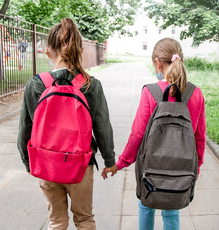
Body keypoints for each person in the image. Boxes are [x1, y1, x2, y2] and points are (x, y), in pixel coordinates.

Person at [17, 18, 115, 230]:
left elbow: (25, 130)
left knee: (56, 221)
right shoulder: (90, 84)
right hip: (80, 166)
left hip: (46, 164)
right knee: (85, 219)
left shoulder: (35, 84)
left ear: (48, 51)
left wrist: (28, 162)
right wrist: (109, 159)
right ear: (79, 51)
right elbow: (103, 127)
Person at [102, 38, 206, 230]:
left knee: (146, 205)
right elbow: (199, 137)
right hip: (181, 167)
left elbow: (137, 135)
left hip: (150, 165)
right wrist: (196, 167)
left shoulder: (151, 92)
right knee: (172, 212)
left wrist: (120, 163)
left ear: (158, 63)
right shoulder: (196, 94)